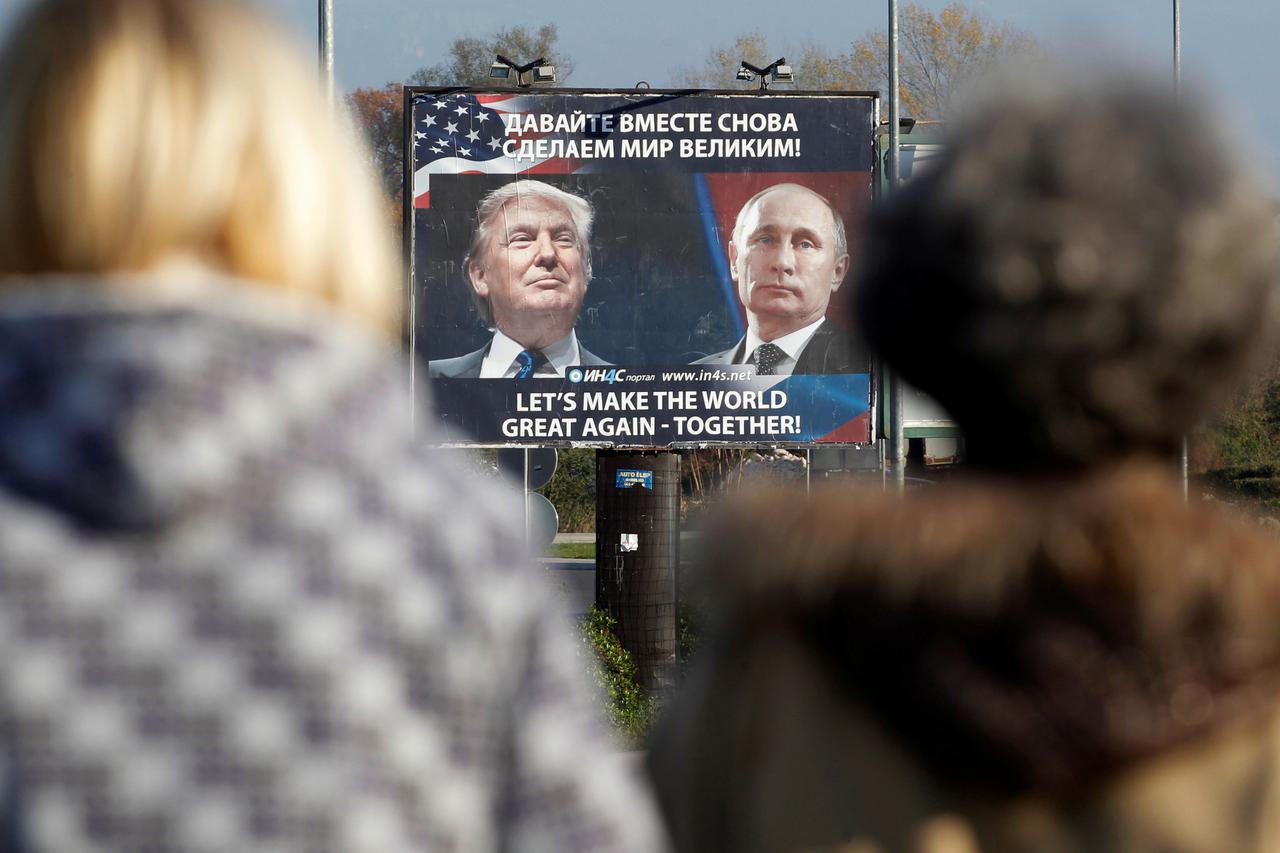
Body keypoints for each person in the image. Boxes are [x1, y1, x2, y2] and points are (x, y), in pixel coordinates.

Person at [0, 1, 668, 850]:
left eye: (563, 239)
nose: (546, 257)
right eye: (522, 238)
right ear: (303, 189)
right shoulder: (452, 546)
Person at [648, 72, 1280, 852]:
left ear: (901, 315)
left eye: (805, 241)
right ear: (1221, 347)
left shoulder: (764, 691)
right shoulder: (1255, 684)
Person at [429, 180, 610, 378]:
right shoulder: (426, 382)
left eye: (563, 238)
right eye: (522, 239)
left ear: (585, 271)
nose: (548, 253)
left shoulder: (630, 388)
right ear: (481, 276)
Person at [693, 182, 867, 375]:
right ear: (734, 260)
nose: (782, 262)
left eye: (805, 244)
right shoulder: (692, 379)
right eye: (765, 240)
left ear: (837, 271)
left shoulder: (873, 370)